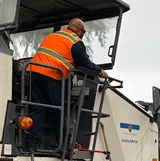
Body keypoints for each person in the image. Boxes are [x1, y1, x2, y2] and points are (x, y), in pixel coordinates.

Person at [25, 18, 108, 150]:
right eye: (84, 32)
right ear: (78, 30)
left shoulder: (53, 36)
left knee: (37, 109)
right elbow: (83, 63)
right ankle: (64, 145)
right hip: (52, 75)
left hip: (34, 72)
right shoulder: (75, 41)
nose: (83, 35)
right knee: (58, 110)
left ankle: (32, 144)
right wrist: (100, 71)